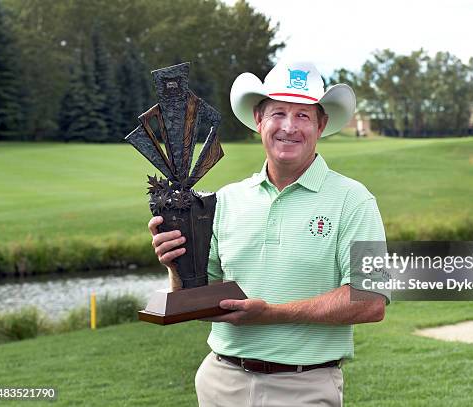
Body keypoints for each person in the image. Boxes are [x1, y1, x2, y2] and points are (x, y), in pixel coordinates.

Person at [148, 60, 389, 407]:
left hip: (304, 387)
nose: (289, 127)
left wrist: (273, 313)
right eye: (278, 113)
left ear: (320, 125)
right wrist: (175, 266)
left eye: (303, 116)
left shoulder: (355, 200)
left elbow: (371, 301)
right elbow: (199, 298)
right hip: (221, 382)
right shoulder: (225, 200)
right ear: (259, 120)